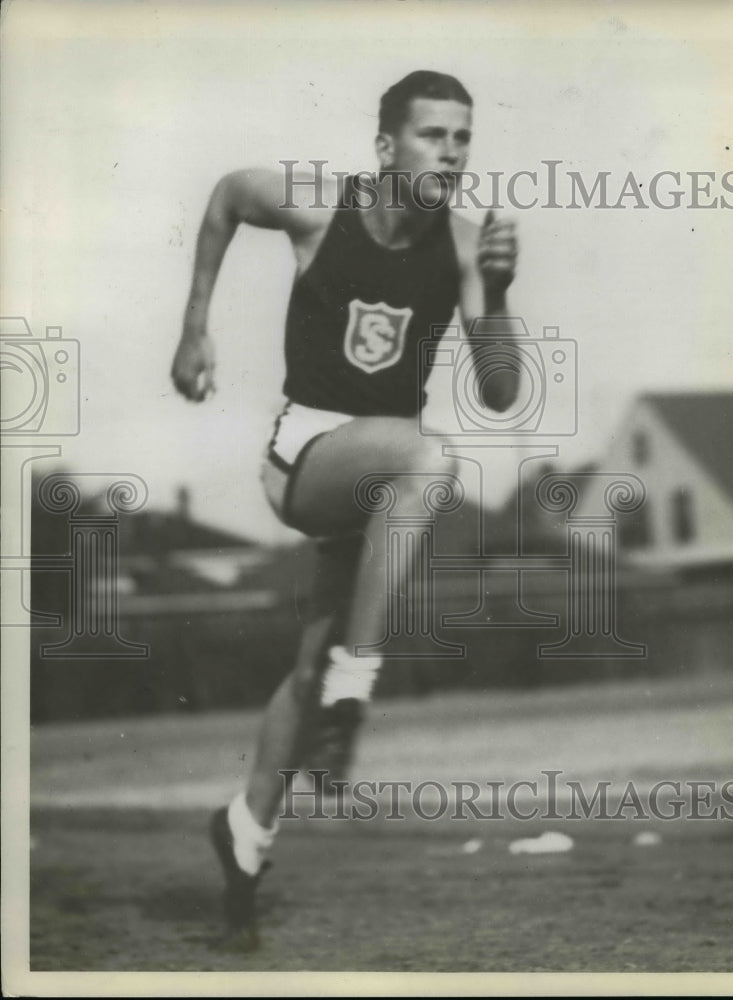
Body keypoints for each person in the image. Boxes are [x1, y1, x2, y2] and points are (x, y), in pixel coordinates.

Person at [170, 70, 521, 948]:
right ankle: (358, 690)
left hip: (382, 487)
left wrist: (502, 295)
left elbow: (504, 391)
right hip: (310, 461)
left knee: (305, 672)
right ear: (385, 148)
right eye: (433, 135)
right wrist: (195, 323)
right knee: (431, 456)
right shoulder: (322, 208)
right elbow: (224, 197)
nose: (451, 152)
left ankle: (245, 839)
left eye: (463, 137)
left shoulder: (470, 243)